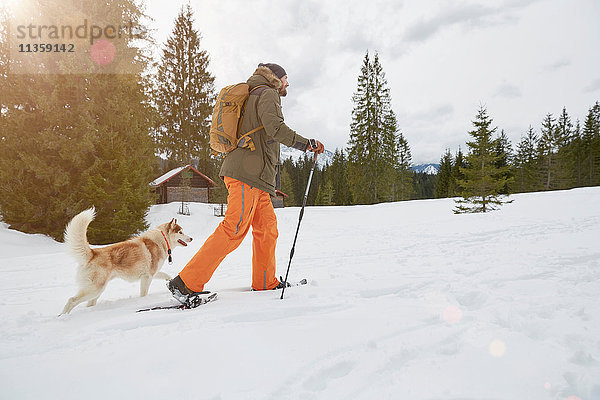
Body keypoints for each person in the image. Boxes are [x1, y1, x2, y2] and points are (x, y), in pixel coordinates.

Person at [168, 63, 324, 301]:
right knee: (234, 229)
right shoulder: (268, 93)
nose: (287, 84)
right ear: (276, 79)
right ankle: (185, 283)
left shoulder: (253, 94)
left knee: (267, 228)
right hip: (245, 175)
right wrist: (307, 143)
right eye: (285, 79)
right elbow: (275, 129)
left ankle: (264, 281)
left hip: (256, 178)